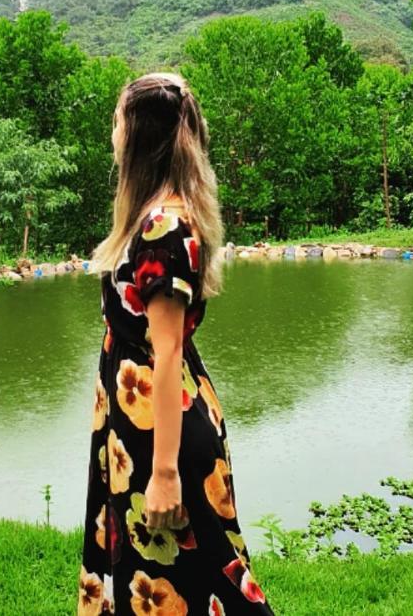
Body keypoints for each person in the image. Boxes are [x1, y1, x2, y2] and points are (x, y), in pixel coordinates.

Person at [78, 72, 274, 615]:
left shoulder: (165, 226)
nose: (113, 134)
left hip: (160, 433)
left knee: (192, 580)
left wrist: (164, 473)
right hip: (136, 426)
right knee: (154, 574)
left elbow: (163, 353)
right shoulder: (150, 216)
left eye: (118, 122)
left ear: (139, 135)